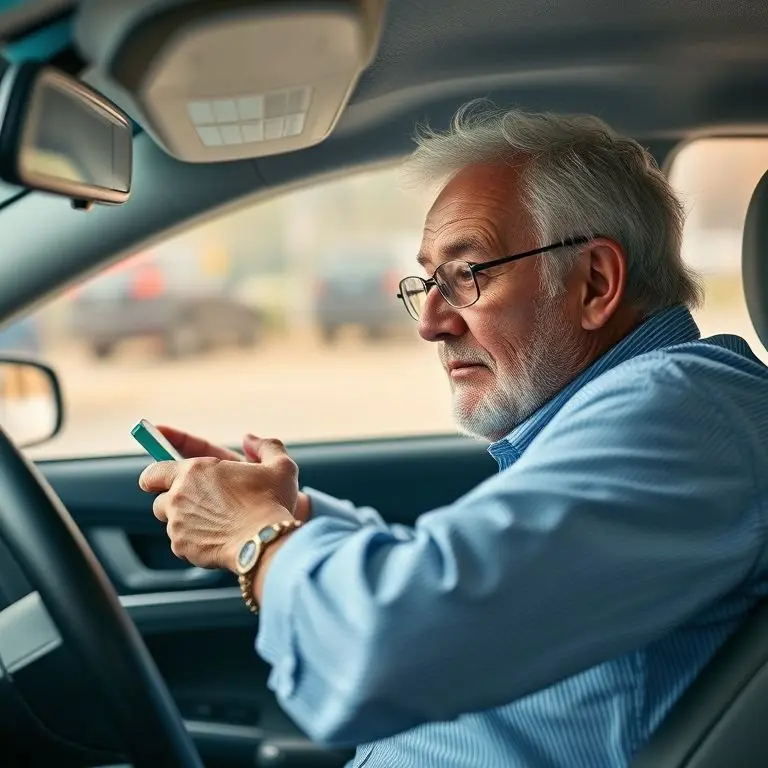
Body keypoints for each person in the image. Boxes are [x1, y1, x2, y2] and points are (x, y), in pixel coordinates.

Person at [138, 102, 768, 768]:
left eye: (467, 275)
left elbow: (386, 646)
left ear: (596, 282)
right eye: (428, 282)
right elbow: (461, 583)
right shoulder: (662, 413)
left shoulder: (680, 411)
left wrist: (252, 536)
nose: (430, 323)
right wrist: (290, 514)